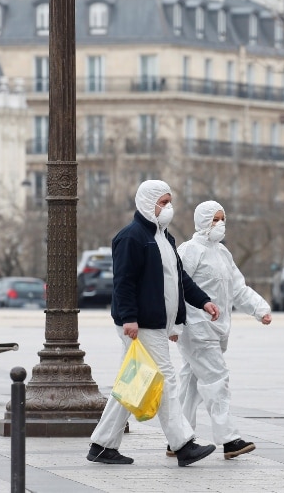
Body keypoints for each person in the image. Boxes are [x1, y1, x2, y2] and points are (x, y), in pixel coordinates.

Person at [87, 180, 221, 466]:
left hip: (154, 324)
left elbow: (179, 279)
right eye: (163, 202)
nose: (168, 207)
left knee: (134, 382)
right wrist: (129, 318)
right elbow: (123, 282)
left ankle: (102, 445)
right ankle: (183, 444)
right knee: (166, 379)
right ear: (148, 203)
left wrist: (203, 301)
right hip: (141, 325)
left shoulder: (164, 238)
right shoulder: (131, 237)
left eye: (170, 201)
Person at [170, 200, 272, 460]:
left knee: (192, 384)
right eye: (214, 219)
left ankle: (177, 437)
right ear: (202, 221)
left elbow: (238, 288)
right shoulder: (189, 250)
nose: (220, 224)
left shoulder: (223, 253)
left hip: (216, 330)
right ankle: (229, 439)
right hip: (196, 328)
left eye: (222, 218)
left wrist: (260, 309)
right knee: (217, 380)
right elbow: (175, 288)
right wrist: (175, 324)